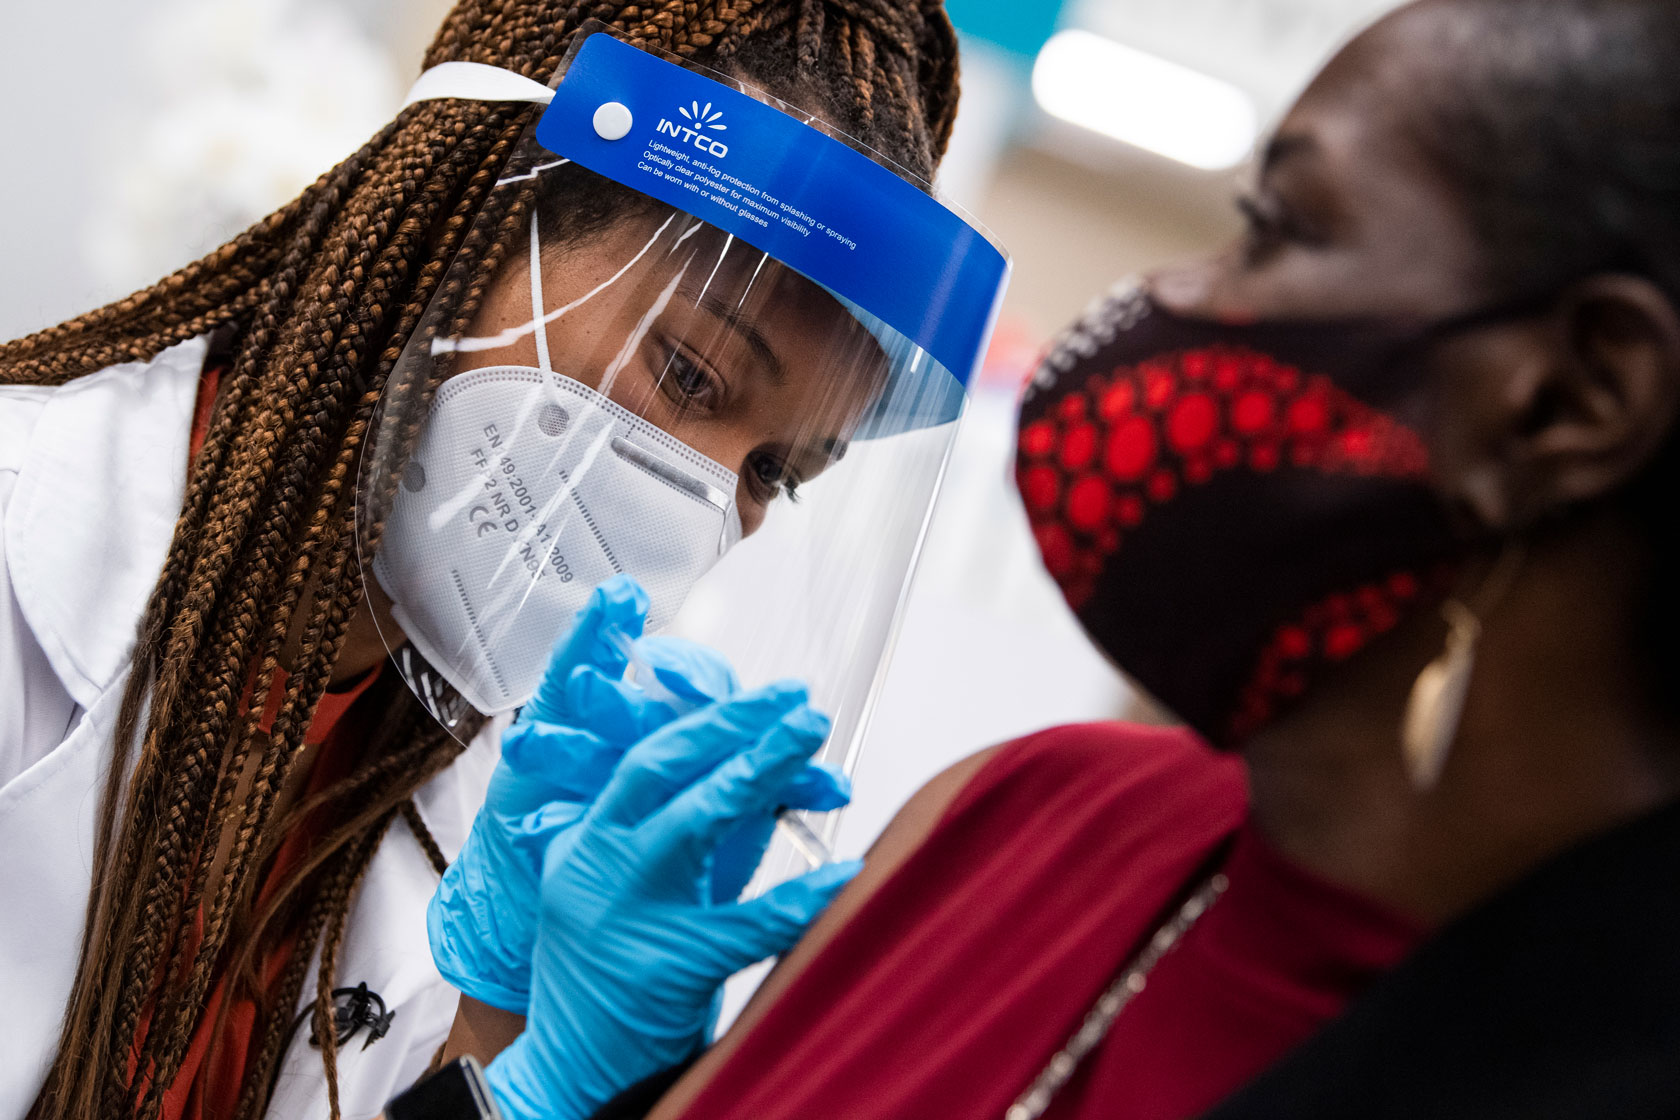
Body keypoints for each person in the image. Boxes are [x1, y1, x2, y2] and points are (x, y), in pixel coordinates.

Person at [429, 0, 1680, 1115]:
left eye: (1273, 226)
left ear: (1570, 399)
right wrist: (534, 1083)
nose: (1161, 296)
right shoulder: (1021, 818)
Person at [0, 3, 979, 1119]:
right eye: (691, 377)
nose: (705, 502)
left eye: (774, 470)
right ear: (465, 228)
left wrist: (509, 1054)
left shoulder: (487, 814)